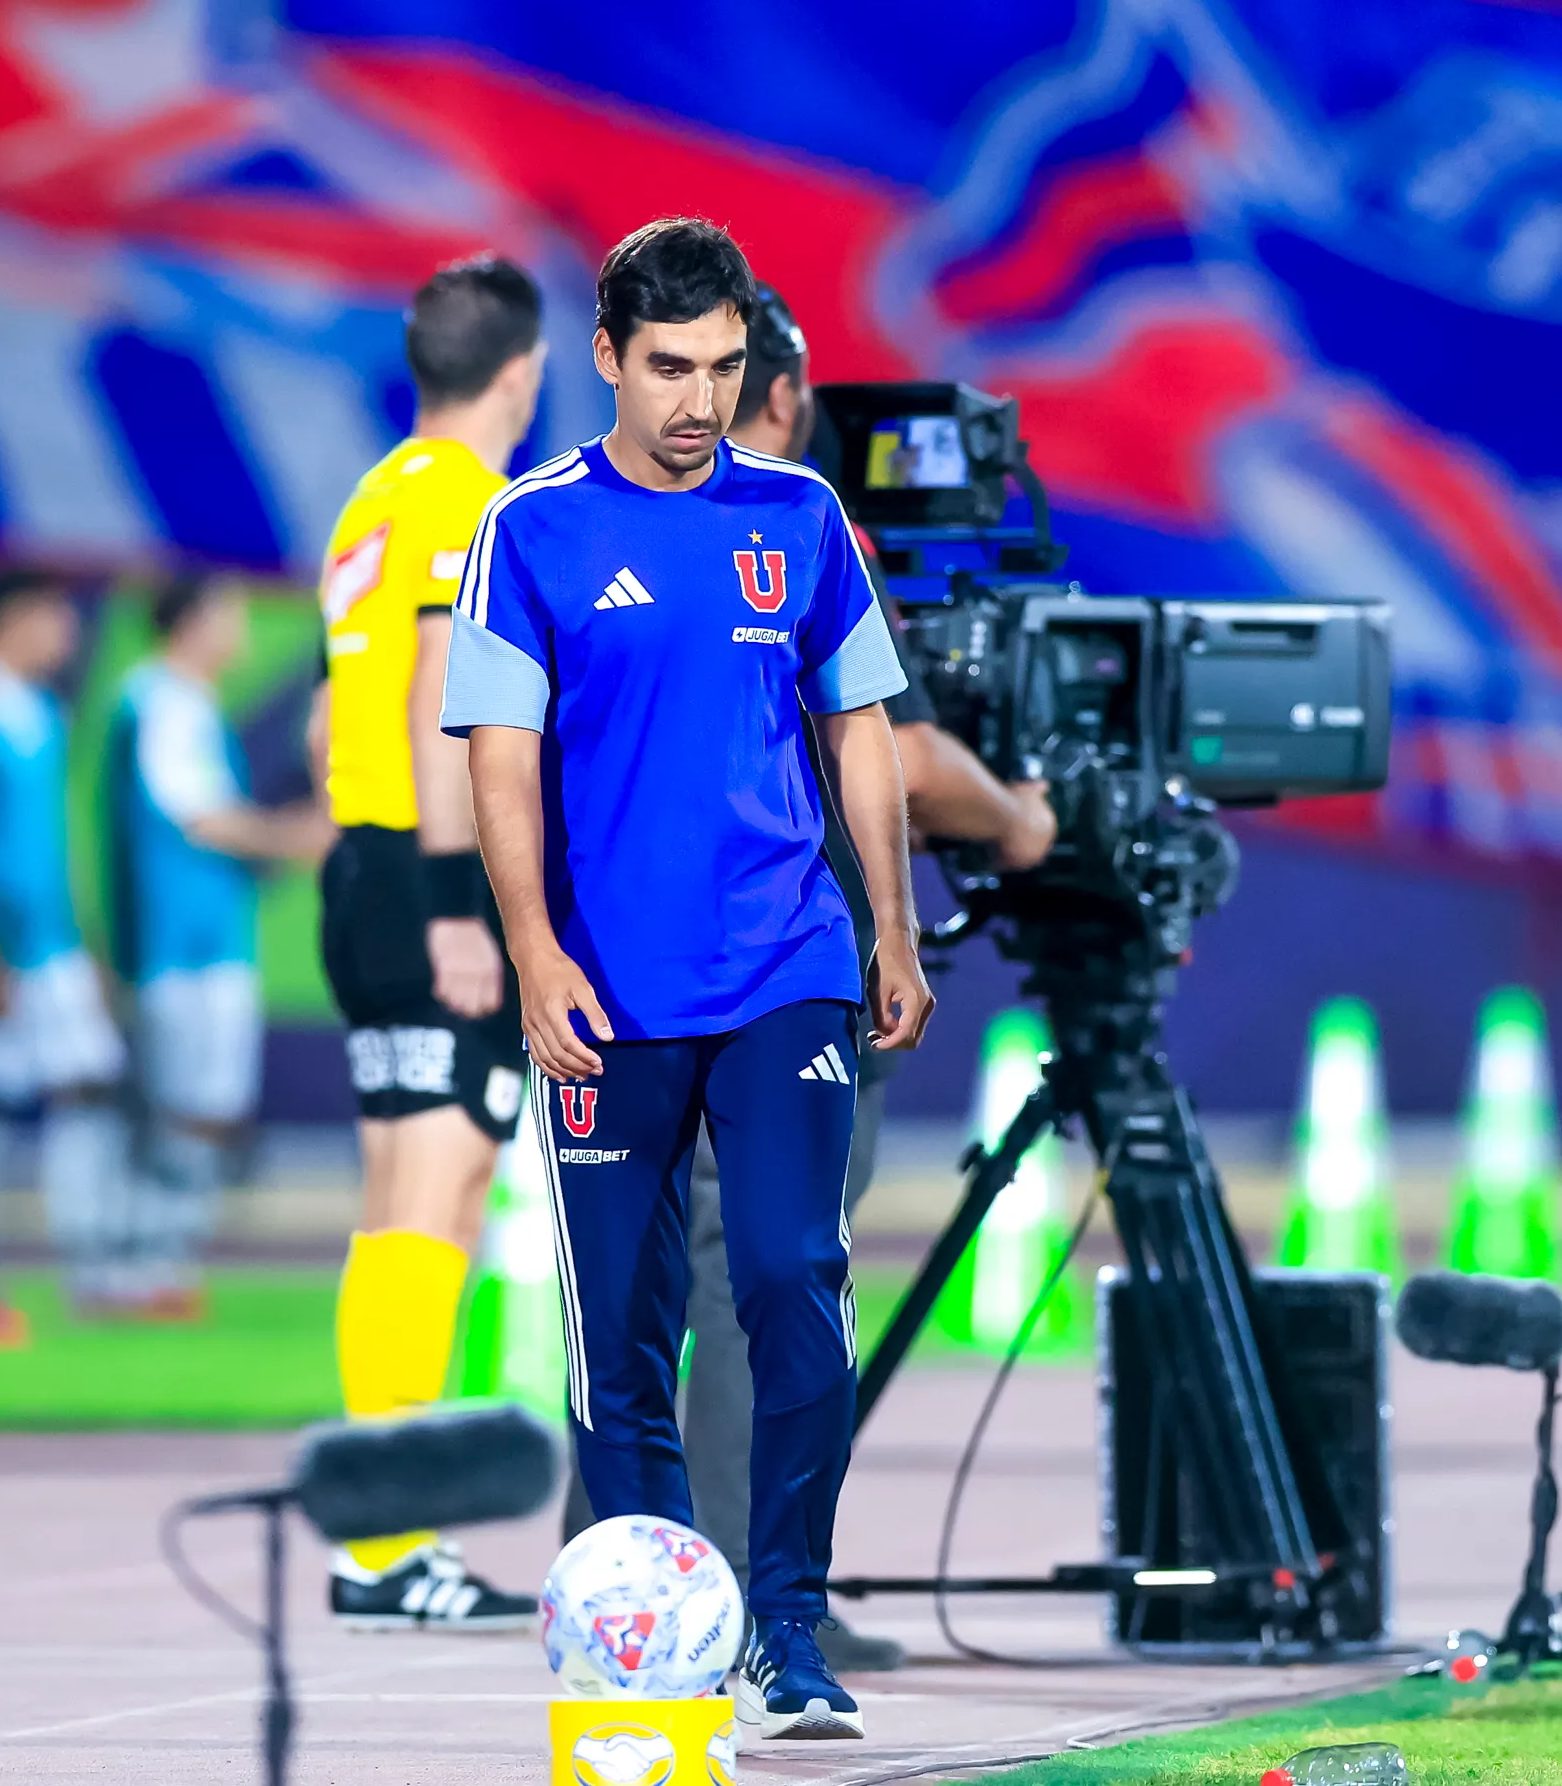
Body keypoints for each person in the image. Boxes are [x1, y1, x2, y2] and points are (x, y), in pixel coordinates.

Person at [447, 218, 933, 1741]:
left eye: (724, 367)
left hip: (786, 964)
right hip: (603, 992)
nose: (699, 400)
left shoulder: (799, 516)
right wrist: (532, 951)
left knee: (795, 1278)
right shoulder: (525, 533)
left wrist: (892, 932)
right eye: (669, 369)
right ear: (605, 358)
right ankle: (653, 1639)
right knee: (624, 1334)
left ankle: (788, 1625)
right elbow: (502, 763)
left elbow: (860, 729)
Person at [551, 283, 1058, 1674]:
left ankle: (610, 1559)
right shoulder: (788, 524)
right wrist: (1020, 821)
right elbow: (896, 747)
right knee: (761, 1273)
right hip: (770, 968)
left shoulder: (587, 528)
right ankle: (719, 1595)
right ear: (783, 399)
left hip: (627, 965)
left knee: (648, 1274)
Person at [308, 254, 551, 1629]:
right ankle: (387, 1543)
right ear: (520, 372)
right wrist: (462, 899)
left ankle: (381, 1537)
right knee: (436, 1198)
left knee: (404, 1193)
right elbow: (440, 702)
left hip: (366, 865)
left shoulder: (373, 496)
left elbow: (343, 707)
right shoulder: (466, 502)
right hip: (427, 878)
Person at [105, 573, 332, 1312]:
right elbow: (198, 815)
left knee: (205, 1103)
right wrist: (295, 837)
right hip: (179, 944)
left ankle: (161, 1260)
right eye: (229, 615)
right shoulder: (159, 703)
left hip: (210, 938)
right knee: (180, 1103)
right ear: (194, 622)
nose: (239, 632)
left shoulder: (190, 706)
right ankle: (138, 1260)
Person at [0, 571, 129, 1318]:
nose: (68, 636)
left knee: (91, 1083)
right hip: (0, 949)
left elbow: (50, 839)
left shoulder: (39, 708)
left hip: (52, 942)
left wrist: (88, 942)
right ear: (15, 618)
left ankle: (91, 1260)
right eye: (56, 619)